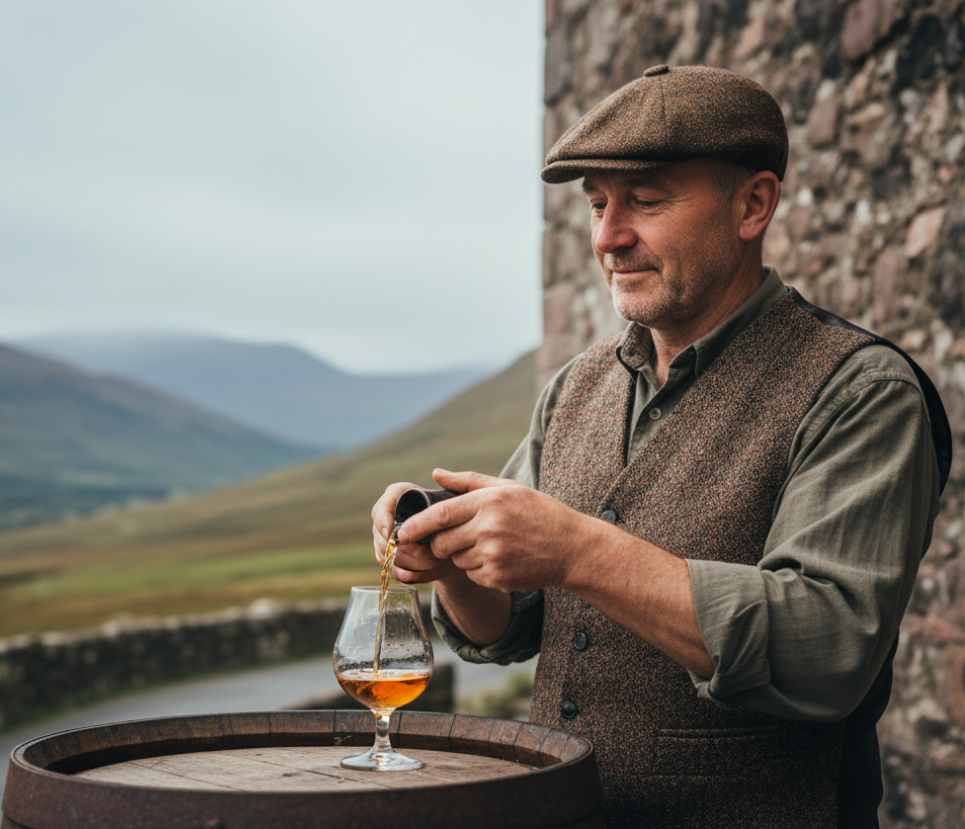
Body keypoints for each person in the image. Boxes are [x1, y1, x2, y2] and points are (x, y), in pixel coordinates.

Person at [370, 65, 950, 829]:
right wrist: (454, 566)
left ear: (753, 205)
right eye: (599, 205)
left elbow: (828, 648)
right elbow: (511, 627)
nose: (609, 237)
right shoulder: (575, 386)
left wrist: (580, 551)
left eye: (645, 201)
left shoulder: (861, 391)